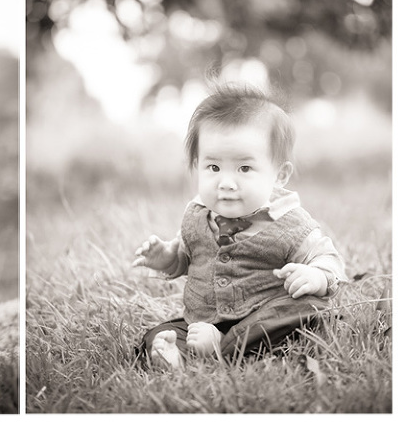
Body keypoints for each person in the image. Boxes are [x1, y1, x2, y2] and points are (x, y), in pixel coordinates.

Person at [132, 83, 347, 369]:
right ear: (198, 165)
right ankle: (180, 353)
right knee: (159, 333)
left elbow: (329, 260)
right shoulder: (197, 216)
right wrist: (169, 258)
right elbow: (189, 257)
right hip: (203, 320)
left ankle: (220, 348)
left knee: (307, 308)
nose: (226, 182)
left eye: (244, 168)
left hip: (263, 319)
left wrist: (317, 277)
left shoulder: (291, 222)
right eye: (214, 167)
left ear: (279, 175)